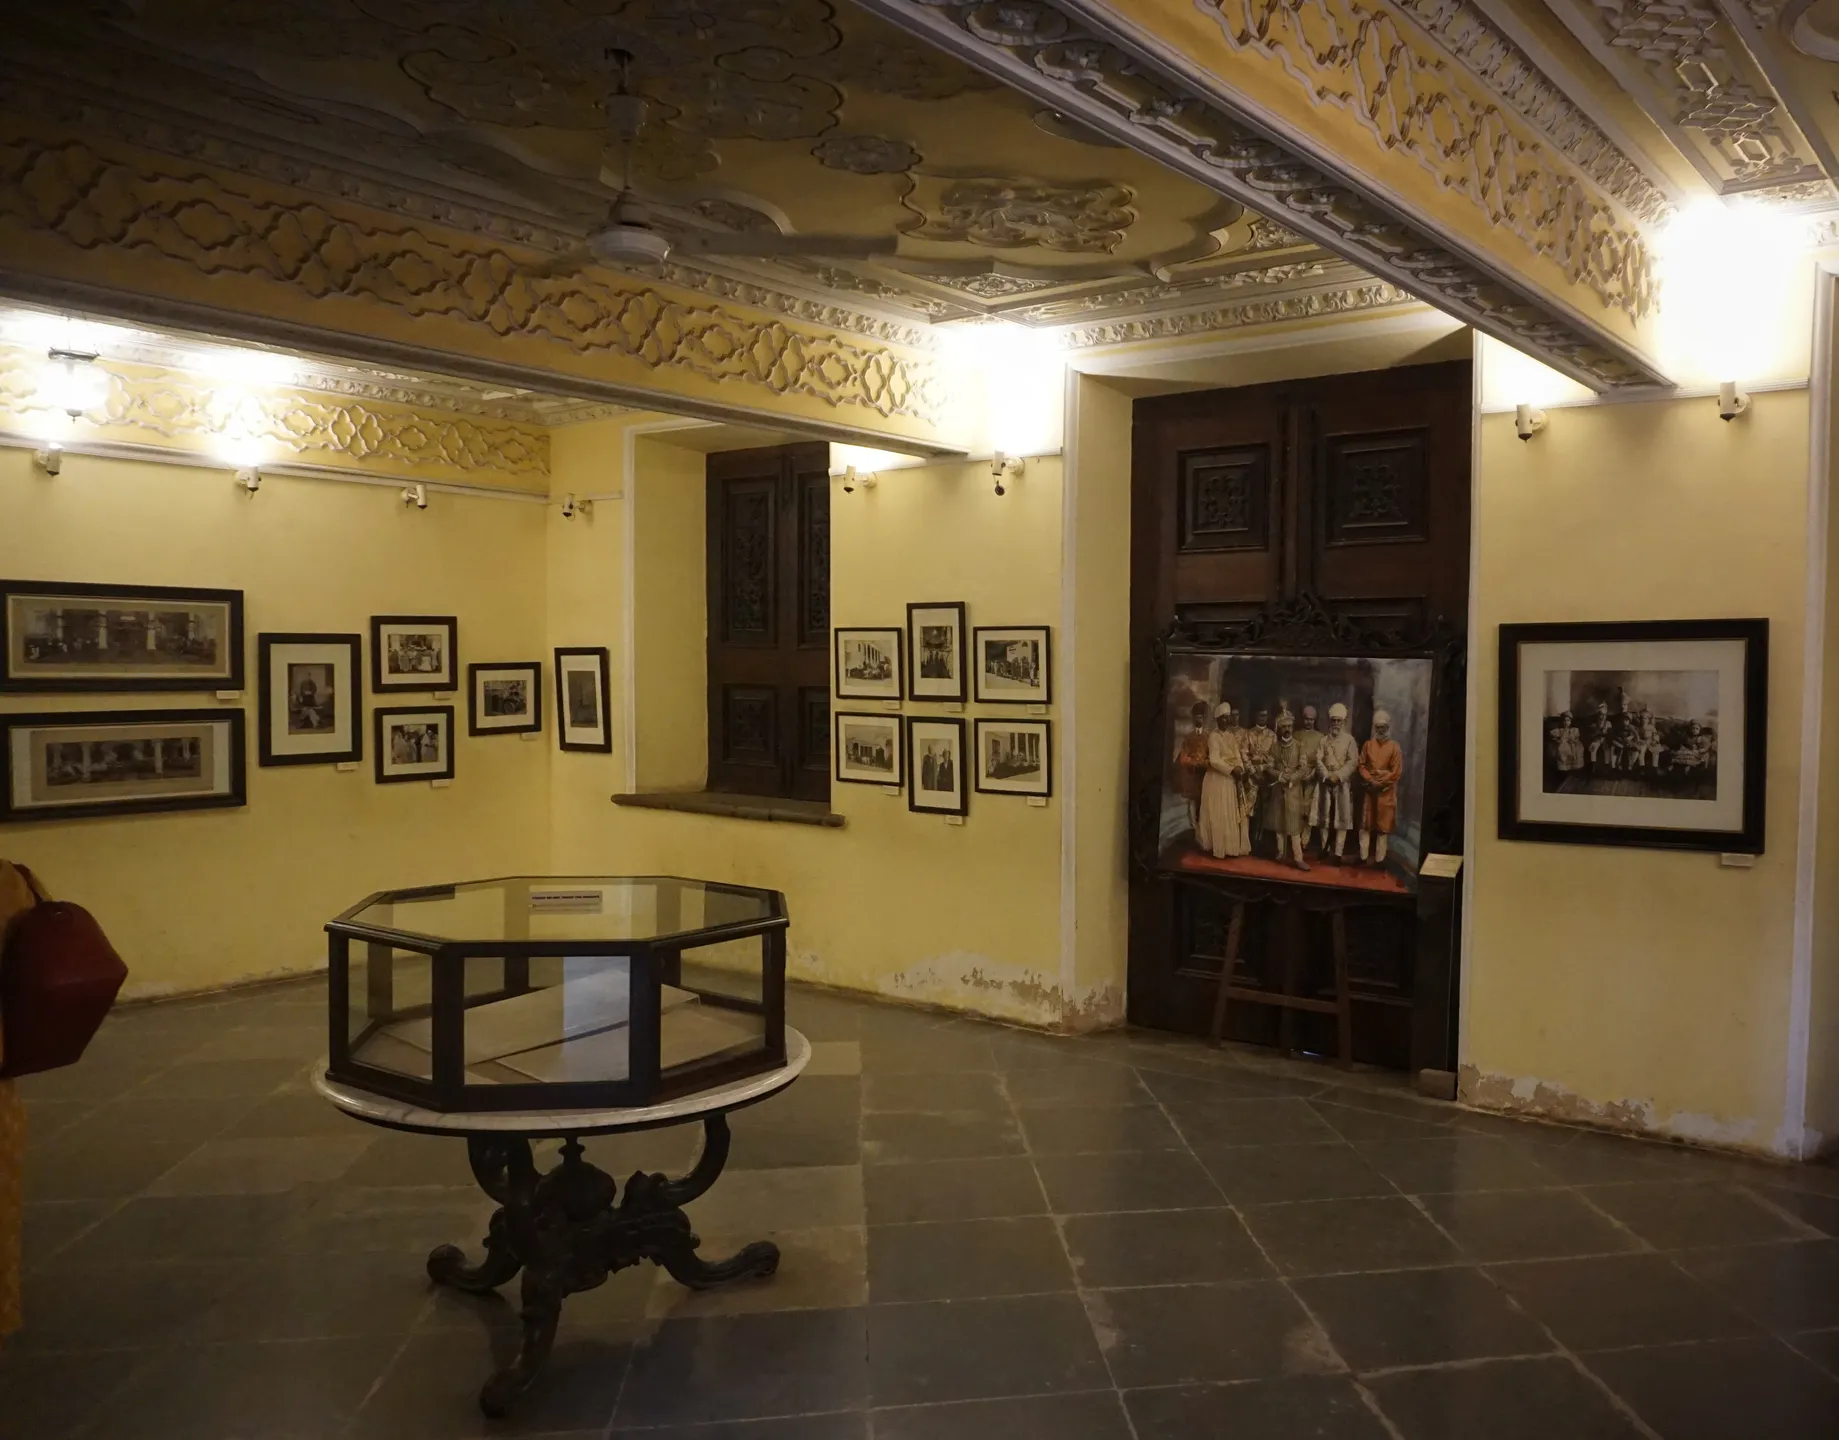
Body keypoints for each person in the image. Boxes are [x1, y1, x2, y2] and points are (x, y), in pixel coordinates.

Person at [1196, 702, 1250, 859]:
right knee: (1218, 811)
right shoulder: (1213, 736)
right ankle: (1217, 847)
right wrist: (1232, 769)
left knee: (1228, 812)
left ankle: (1229, 847)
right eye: (1224, 718)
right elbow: (1214, 760)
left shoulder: (1231, 736)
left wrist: (1240, 768)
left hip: (1230, 779)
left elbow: (1238, 756)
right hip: (1216, 779)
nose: (1227, 720)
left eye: (1228, 717)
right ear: (1218, 719)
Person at [1263, 707, 1312, 870]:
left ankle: (1298, 858)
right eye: (1284, 727)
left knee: (1294, 825)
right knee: (1279, 822)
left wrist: (1292, 778)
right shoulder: (1274, 747)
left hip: (1293, 790)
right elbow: (1269, 767)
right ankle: (1280, 853)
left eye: (1289, 726)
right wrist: (1279, 776)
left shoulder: (1299, 746)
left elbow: (1303, 768)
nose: (1287, 729)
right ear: (1279, 728)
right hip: (1278, 789)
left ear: (1292, 727)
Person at [1358, 709, 1404, 865]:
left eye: (1383, 727)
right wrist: (1370, 780)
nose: (1380, 730)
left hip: (1386, 793)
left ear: (1388, 727)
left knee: (1383, 828)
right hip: (1369, 790)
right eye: (1378, 727)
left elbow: (1396, 772)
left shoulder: (1394, 747)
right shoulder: (1368, 745)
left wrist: (1381, 781)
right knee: (1366, 824)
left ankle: (1380, 860)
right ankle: (1363, 857)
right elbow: (1361, 765)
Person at [1317, 702, 1359, 860]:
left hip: (1342, 784)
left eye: (1338, 721)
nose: (1336, 723)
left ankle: (1338, 853)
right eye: (1333, 720)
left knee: (1341, 819)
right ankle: (1324, 849)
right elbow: (1318, 760)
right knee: (1325, 818)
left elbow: (1352, 762)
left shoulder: (1350, 741)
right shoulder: (1323, 740)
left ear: (1343, 722)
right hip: (1326, 782)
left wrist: (1339, 776)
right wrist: (1327, 776)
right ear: (1330, 721)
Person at [1242, 707, 1277, 852]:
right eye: (1260, 715)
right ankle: (1248, 841)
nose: (1263, 718)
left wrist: (1263, 769)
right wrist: (1253, 772)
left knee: (1265, 809)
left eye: (1265, 715)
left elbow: (1274, 757)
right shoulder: (1248, 734)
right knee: (1250, 808)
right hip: (1251, 777)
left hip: (1267, 776)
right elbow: (1244, 755)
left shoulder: (1272, 736)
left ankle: (1261, 841)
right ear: (1256, 716)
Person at [1173, 700, 1211, 830]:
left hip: (1204, 773)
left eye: (1200, 717)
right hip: (1192, 774)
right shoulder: (1189, 737)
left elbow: (1211, 754)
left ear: (1203, 719)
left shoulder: (1208, 736)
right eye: (1196, 717)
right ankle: (1193, 826)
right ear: (1193, 719)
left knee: (1203, 800)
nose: (1198, 720)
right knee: (1192, 801)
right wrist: (1192, 762)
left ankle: (1202, 826)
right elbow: (1184, 755)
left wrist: (1205, 763)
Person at [1295, 704, 1325, 853]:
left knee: (1308, 810)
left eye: (1311, 719)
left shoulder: (1321, 737)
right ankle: (1294, 840)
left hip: (1312, 777)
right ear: (1303, 719)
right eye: (1306, 719)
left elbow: (1321, 759)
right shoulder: (1296, 735)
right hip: (1296, 777)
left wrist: (1312, 774)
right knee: (1296, 808)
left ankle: (1304, 841)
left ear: (1315, 720)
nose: (1308, 722)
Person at [1549, 710, 1585, 776]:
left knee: (1577, 749)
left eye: (1568, 720)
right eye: (1564, 721)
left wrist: (1574, 740)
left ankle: (1574, 769)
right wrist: (1557, 739)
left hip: (1573, 743)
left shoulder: (1574, 730)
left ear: (1570, 721)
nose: (1566, 722)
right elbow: (1552, 734)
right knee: (1562, 749)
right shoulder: (1561, 730)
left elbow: (1576, 737)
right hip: (1564, 743)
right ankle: (1564, 770)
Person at [1586, 701, 1616, 771]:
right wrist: (1596, 734)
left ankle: (1606, 764)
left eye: (1604, 715)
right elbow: (1593, 732)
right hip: (1597, 738)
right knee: (1593, 748)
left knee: (1607, 749)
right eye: (1601, 715)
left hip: (1605, 739)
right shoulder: (1595, 723)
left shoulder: (1608, 723)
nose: (1603, 717)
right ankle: (1593, 765)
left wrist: (1607, 733)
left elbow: (1610, 733)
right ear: (1598, 715)